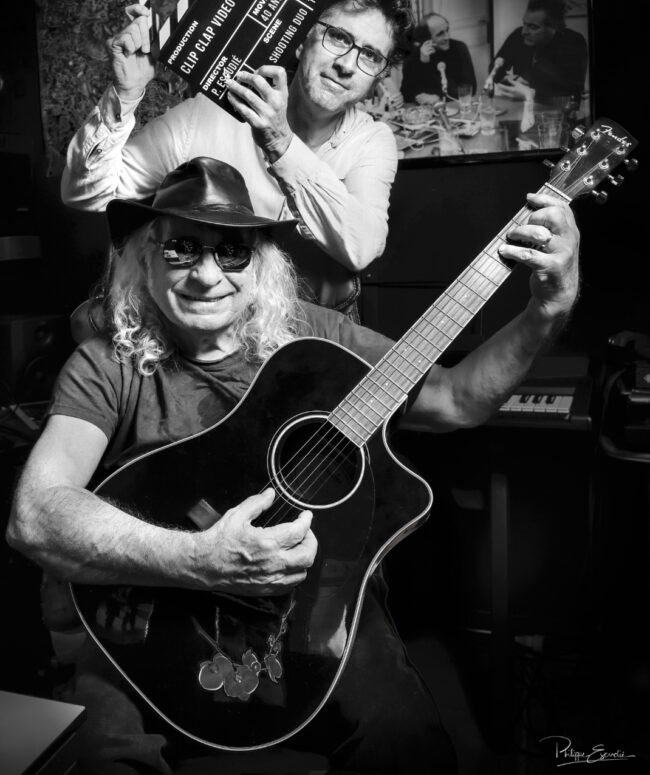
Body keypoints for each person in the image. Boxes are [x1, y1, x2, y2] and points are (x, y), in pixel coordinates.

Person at [7, 155, 580, 774]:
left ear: (262, 265)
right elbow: (36, 515)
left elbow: (458, 399)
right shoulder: (108, 363)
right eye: (182, 249)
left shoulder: (314, 339)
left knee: (405, 741)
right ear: (144, 257)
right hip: (144, 626)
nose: (206, 275)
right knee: (100, 762)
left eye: (232, 253)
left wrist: (546, 311)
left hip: (315, 613)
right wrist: (197, 562)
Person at [63, 0, 414, 318]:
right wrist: (125, 96)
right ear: (303, 37)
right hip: (206, 325)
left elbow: (362, 248)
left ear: (379, 77)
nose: (347, 65)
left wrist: (281, 143)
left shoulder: (371, 141)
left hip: (316, 329)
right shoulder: (209, 112)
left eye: (370, 56)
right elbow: (89, 194)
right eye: (338, 37)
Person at [488, 0, 588, 105]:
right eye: (524, 24)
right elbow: (494, 69)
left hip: (557, 112)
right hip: (523, 109)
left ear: (554, 27)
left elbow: (574, 91)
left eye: (533, 27)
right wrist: (510, 78)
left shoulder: (573, 42)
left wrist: (530, 93)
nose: (523, 32)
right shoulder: (518, 36)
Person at [400, 12, 477, 104]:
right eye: (440, 34)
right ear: (426, 39)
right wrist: (422, 63)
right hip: (425, 112)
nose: (447, 37)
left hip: (454, 106)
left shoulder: (460, 48)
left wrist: (438, 97)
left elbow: (469, 88)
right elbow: (406, 94)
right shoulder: (413, 54)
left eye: (447, 30)